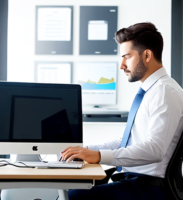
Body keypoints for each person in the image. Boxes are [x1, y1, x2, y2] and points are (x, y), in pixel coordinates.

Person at [61, 22, 183, 200]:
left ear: (147, 55)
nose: (122, 65)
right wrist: (85, 150)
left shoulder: (165, 92)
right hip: (136, 181)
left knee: (73, 197)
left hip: (149, 188)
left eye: (127, 56)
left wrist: (99, 156)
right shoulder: (151, 90)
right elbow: (127, 141)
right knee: (70, 191)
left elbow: (155, 149)